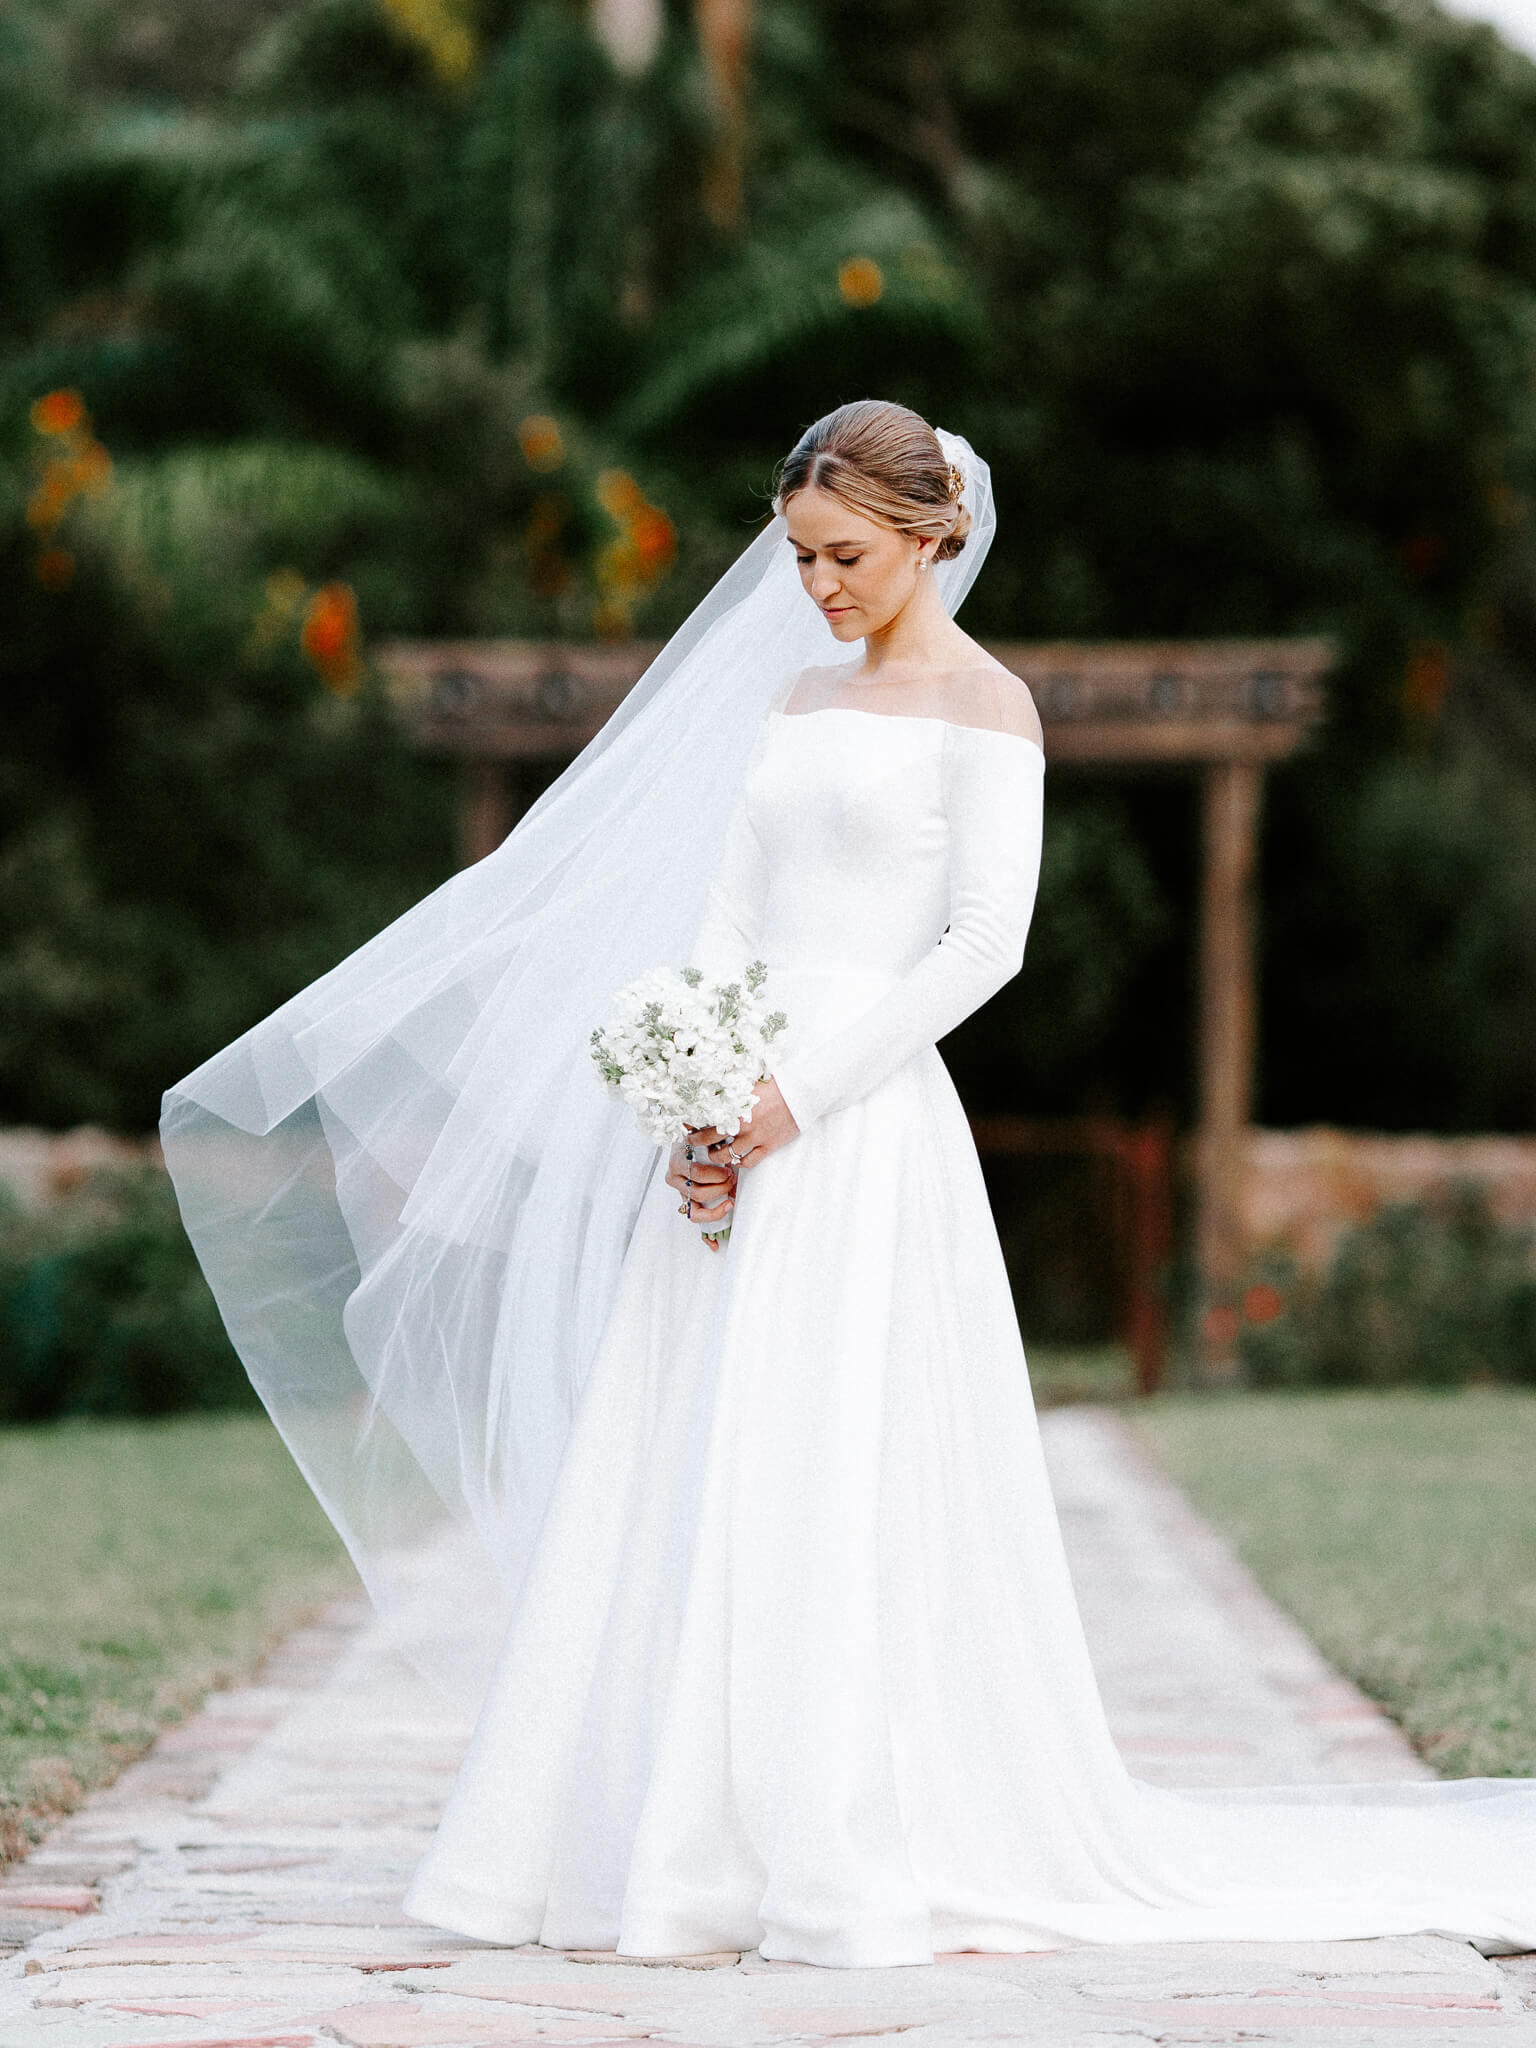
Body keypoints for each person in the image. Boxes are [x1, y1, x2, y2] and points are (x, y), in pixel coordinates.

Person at [163, 400, 1536, 1971]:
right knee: (695, 1458)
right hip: (734, 1107)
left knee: (837, 1458)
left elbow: (984, 943)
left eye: (847, 556)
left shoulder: (991, 709)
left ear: (933, 534)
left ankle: (840, 1835)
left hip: (864, 1124)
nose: (817, 585)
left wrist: (794, 1098)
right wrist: (693, 1091)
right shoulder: (790, 704)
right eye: (801, 555)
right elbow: (730, 914)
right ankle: (668, 1843)